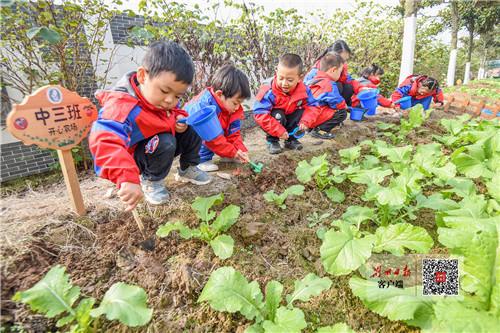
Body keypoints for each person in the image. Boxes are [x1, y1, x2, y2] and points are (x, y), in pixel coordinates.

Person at [89, 41, 211, 211]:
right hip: (135, 159)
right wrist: (126, 177)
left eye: (177, 96)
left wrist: (179, 119)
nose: (170, 100)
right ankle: (151, 182)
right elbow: (104, 140)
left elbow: (173, 111)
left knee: (191, 125)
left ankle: (187, 168)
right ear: (142, 76)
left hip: (159, 148)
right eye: (164, 91)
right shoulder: (121, 105)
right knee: (164, 141)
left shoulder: (161, 102)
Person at [184, 64, 251, 172]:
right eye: (235, 102)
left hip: (213, 136)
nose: (238, 107)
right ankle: (200, 161)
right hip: (192, 137)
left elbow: (233, 134)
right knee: (207, 132)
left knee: (221, 132)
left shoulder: (232, 108)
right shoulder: (203, 107)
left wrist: (240, 150)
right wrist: (233, 152)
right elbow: (212, 139)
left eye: (240, 103)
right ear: (219, 94)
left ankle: (226, 155)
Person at [253, 53, 320, 154]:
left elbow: (314, 106)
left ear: (299, 78)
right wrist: (278, 130)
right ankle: (272, 141)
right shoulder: (269, 90)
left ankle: (291, 139)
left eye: (290, 80)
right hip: (275, 120)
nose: (284, 83)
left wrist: (306, 121)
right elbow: (260, 113)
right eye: (281, 78)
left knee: (300, 111)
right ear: (276, 73)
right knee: (278, 114)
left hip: (290, 116)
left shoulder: (304, 90)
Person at [303, 53, 348, 139]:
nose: (340, 74)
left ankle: (310, 128)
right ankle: (320, 130)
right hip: (315, 116)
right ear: (333, 70)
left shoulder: (313, 78)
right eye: (340, 71)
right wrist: (344, 105)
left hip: (305, 117)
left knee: (324, 105)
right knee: (341, 113)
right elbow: (337, 102)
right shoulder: (329, 83)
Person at [304, 40, 354, 106]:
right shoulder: (315, 72)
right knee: (337, 86)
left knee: (348, 87)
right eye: (342, 59)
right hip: (316, 105)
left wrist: (361, 88)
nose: (344, 62)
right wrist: (342, 106)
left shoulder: (340, 66)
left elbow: (349, 79)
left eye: (345, 60)